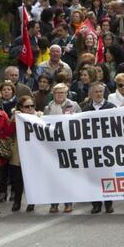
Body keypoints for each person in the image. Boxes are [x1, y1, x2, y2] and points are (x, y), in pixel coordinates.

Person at [44, 83, 81, 213]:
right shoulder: (48, 107)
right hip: (53, 147)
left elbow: (81, 122)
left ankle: (68, 203)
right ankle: (54, 204)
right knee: (53, 176)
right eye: (56, 93)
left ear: (67, 94)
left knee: (66, 175)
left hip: (68, 146)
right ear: (53, 94)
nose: (59, 95)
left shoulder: (74, 105)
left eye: (62, 93)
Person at [82, 82, 116, 214]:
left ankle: (108, 203)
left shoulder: (111, 107)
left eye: (100, 91)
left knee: (108, 176)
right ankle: (96, 204)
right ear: (90, 94)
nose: (98, 94)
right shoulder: (85, 109)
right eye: (95, 92)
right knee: (93, 177)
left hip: (107, 149)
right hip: (91, 149)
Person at [11, 96, 43, 212]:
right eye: (26, 106)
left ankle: (32, 202)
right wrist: (14, 119)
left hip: (34, 154)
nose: (30, 108)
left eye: (32, 106)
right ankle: (17, 202)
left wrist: (40, 117)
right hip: (18, 154)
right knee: (18, 180)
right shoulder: (16, 117)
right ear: (21, 107)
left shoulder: (39, 116)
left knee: (32, 179)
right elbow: (8, 132)